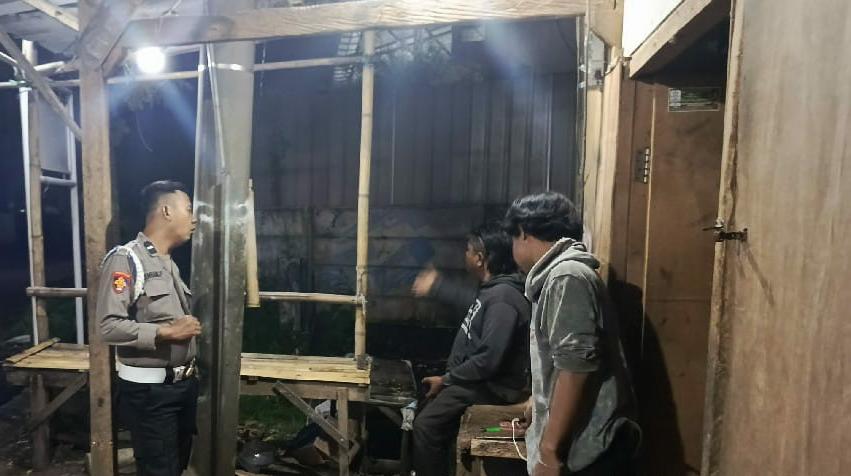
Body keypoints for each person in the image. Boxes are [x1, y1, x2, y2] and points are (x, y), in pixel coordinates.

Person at [504, 191, 640, 476]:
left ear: (524, 233)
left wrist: (549, 451)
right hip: (582, 444)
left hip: (589, 450)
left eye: (513, 238)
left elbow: (576, 367)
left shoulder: (566, 276)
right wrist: (538, 405)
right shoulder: (560, 275)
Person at [410, 222, 532, 476]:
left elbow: (488, 360)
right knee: (424, 409)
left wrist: (447, 380)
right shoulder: (492, 291)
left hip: (492, 388)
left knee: (425, 425)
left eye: (468, 249)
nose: (464, 254)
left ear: (479, 258)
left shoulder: (503, 298)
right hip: (477, 382)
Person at [97, 180, 202, 476]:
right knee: (159, 470)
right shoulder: (126, 259)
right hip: (150, 394)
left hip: (180, 387)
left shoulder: (167, 262)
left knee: (175, 467)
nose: (193, 219)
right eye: (189, 209)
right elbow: (108, 327)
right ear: (166, 211)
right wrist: (166, 332)